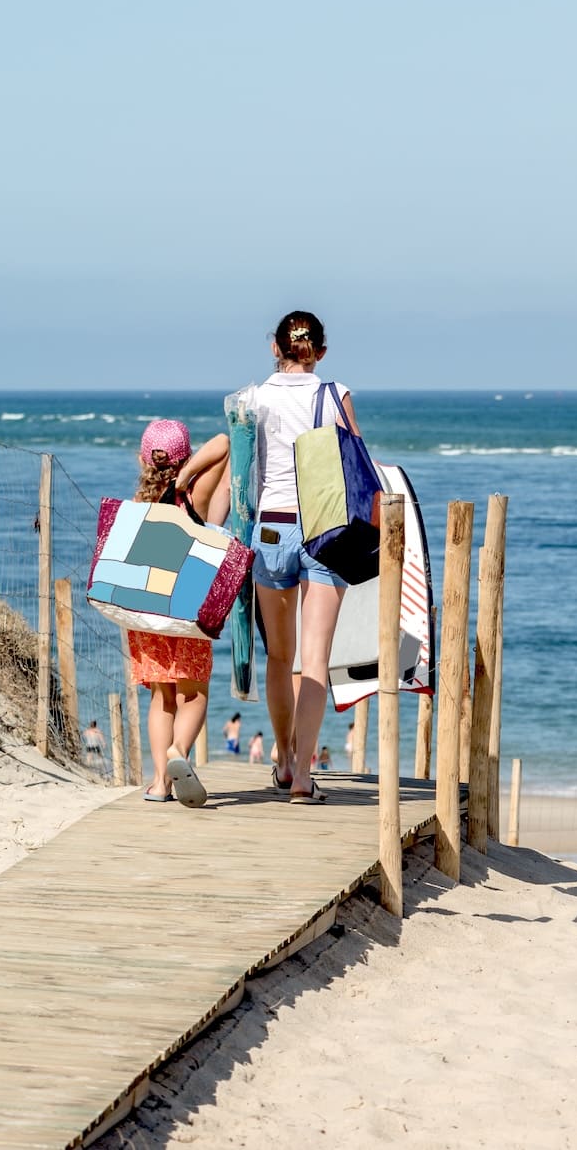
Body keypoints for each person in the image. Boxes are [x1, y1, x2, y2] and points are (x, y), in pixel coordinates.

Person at [233, 312, 355, 806]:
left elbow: (241, 472)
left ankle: (282, 759)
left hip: (271, 526)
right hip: (324, 523)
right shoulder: (334, 394)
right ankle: (304, 777)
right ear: (319, 352)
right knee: (316, 660)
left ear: (275, 348)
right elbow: (355, 464)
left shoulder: (250, 399)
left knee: (280, 657)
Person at [128, 420, 226, 808]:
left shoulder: (138, 504)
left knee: (161, 696)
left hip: (146, 612)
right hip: (186, 608)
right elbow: (223, 442)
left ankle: (157, 783)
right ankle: (180, 752)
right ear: (185, 457)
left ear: (142, 458)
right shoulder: (193, 495)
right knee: (194, 693)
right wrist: (186, 475)